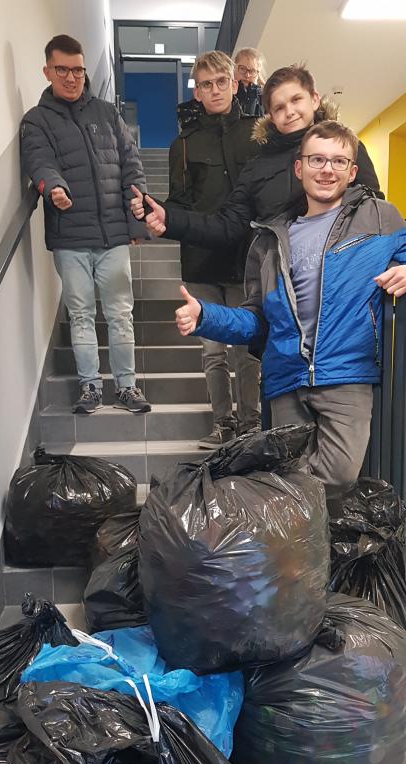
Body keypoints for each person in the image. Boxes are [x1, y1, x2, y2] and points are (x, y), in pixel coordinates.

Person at [174, 121, 406, 498]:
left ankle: (255, 494)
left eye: (338, 161)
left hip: (347, 373)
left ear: (352, 171)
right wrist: (207, 316)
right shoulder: (269, 237)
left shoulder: (380, 217)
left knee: (338, 474)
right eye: (317, 160)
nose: (327, 169)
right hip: (284, 377)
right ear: (299, 168)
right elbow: (257, 320)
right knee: (291, 485)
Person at [21, 34, 151, 415]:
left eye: (77, 70)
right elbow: (39, 162)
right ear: (47, 71)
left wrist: (136, 221)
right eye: (62, 70)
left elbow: (131, 165)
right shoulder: (37, 121)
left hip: (113, 235)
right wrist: (53, 187)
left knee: (120, 313)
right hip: (71, 237)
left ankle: (126, 387)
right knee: (80, 314)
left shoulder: (107, 114)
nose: (72, 77)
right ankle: (90, 386)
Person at [130, 64, 382, 248]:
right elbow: (226, 226)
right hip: (281, 283)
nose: (290, 111)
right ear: (270, 116)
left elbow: (374, 212)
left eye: (296, 100)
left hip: (343, 277)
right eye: (279, 107)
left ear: (314, 99)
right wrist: (170, 217)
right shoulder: (258, 167)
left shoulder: (348, 149)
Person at [161, 51, 261, 448]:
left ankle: (251, 424)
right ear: (197, 92)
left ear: (235, 84)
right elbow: (177, 205)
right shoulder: (183, 145)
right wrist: (154, 218)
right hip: (201, 262)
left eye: (221, 82)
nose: (215, 90)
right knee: (213, 351)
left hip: (245, 258)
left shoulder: (257, 134)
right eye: (206, 84)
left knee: (247, 351)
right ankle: (223, 423)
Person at [234, 47, 266, 118]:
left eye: (253, 71)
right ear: (234, 68)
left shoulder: (265, 99)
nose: (247, 75)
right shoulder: (225, 93)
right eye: (242, 69)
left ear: (258, 74)